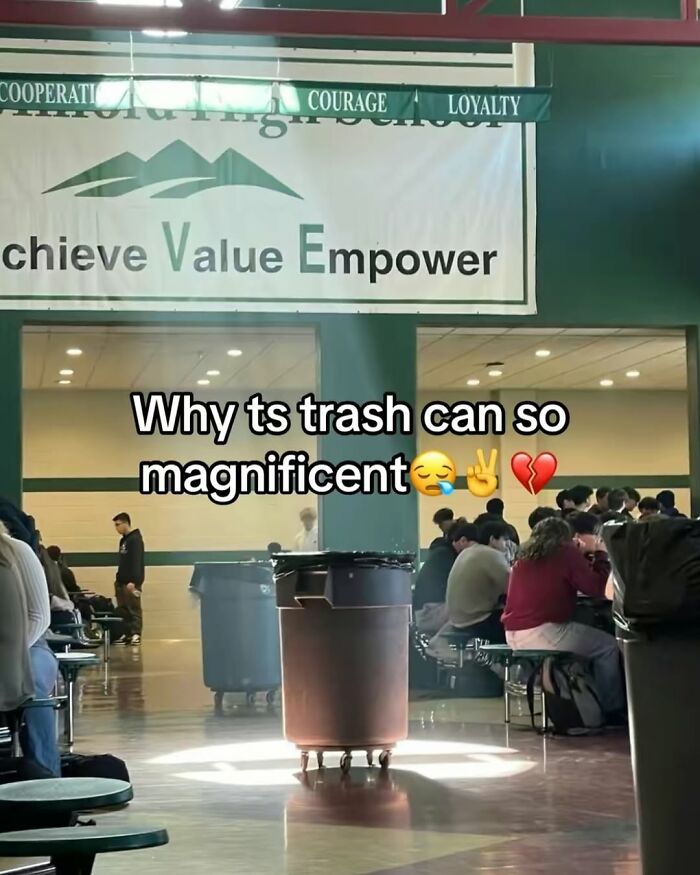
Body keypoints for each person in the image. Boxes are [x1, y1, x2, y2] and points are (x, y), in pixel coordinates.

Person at [502, 516, 625, 722]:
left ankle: (586, 702)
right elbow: (596, 588)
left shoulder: (525, 555)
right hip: (542, 630)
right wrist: (601, 554)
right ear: (567, 536)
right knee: (608, 647)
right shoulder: (565, 552)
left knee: (587, 643)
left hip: (513, 632)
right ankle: (613, 709)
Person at [0, 522, 60, 776]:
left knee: (32, 683)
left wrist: (12, 654)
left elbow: (39, 616)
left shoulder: (18, 551)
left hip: (33, 643)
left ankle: (48, 777)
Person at [444, 521, 511, 643]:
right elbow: (513, 588)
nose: (506, 545)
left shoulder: (467, 552)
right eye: (504, 540)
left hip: (456, 621)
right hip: (476, 621)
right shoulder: (492, 555)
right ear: (492, 539)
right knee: (518, 622)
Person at [414, 517, 466, 610]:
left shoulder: (442, 551)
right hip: (431, 609)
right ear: (462, 540)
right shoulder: (446, 555)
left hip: (426, 607)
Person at [113, 512, 145, 646]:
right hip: (121, 581)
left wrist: (134, 581)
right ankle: (127, 633)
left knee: (134, 608)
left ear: (126, 523)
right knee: (124, 609)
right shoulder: (124, 540)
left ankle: (136, 633)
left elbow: (137, 562)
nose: (116, 528)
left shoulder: (135, 540)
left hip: (131, 582)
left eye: (118, 525)